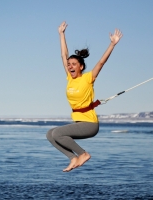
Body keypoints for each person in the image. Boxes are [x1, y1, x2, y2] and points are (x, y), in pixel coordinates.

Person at [46, 21, 123, 172]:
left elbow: (101, 63)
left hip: (90, 124)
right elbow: (63, 55)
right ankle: (73, 158)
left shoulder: (88, 78)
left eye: (73, 64)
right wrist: (61, 34)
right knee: (50, 134)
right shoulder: (69, 79)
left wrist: (112, 44)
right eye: (69, 64)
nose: (70, 66)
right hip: (79, 123)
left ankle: (83, 154)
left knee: (57, 133)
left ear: (81, 66)